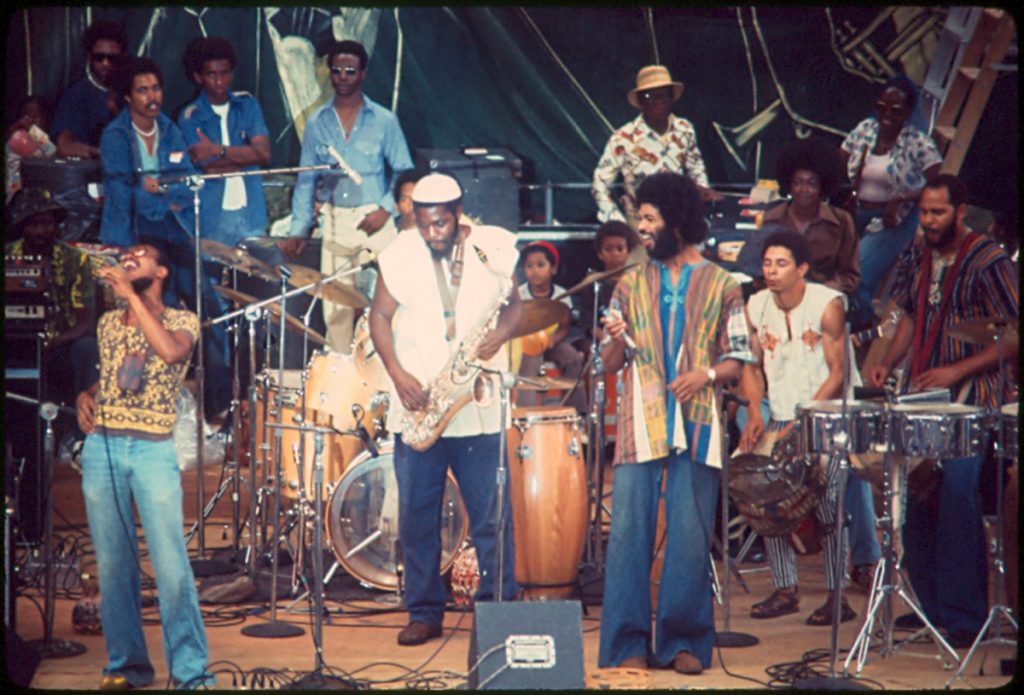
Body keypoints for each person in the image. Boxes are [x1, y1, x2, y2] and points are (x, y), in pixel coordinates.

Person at [598, 172, 753, 674]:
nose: (641, 228)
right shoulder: (629, 282)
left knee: (689, 536)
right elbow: (609, 362)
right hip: (640, 424)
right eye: (638, 218)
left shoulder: (723, 284)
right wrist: (616, 337)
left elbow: (738, 359)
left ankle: (683, 643)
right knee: (627, 536)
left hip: (700, 424)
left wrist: (704, 374)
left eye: (649, 218)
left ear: (678, 222)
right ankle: (627, 645)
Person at [368, 174, 522, 646]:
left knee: (492, 516)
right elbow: (378, 317)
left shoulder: (492, 247)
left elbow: (515, 304)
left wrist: (503, 333)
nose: (431, 233)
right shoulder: (398, 253)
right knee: (417, 516)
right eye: (422, 223)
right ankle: (423, 610)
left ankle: (497, 611)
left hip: (477, 406)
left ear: (457, 215)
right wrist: (397, 374)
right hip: (419, 402)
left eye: (440, 224)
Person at [866, 174, 1018, 648]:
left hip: (973, 399)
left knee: (956, 496)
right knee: (918, 495)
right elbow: (909, 313)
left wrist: (957, 371)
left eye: (936, 213)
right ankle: (932, 608)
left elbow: (1012, 334)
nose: (928, 222)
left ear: (960, 210)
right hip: (925, 394)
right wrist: (887, 361)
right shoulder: (920, 252)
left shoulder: (989, 258)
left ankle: (965, 615)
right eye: (924, 213)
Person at [75, 243, 214, 689]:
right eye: (126, 253)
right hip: (105, 449)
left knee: (171, 566)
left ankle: (191, 673)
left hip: (153, 452)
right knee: (115, 567)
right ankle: (127, 667)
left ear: (162, 271)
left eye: (141, 253)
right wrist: (87, 393)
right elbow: (119, 371)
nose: (129, 257)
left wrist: (133, 297)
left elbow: (171, 355)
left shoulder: (182, 321)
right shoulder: (108, 323)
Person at [100, 56, 231, 421]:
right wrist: (156, 192)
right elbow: (122, 192)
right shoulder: (114, 135)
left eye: (155, 88)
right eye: (142, 90)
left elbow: (186, 182)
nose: (151, 96)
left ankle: (220, 407)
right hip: (136, 236)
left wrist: (163, 191)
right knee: (160, 312)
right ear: (127, 97)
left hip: (175, 230)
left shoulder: (171, 128)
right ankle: (156, 410)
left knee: (208, 308)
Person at [737, 230, 858, 625]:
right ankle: (786, 589)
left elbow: (838, 373)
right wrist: (755, 411)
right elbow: (751, 367)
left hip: (827, 416)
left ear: (802, 268)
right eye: (768, 263)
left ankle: (838, 594)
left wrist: (805, 423)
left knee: (827, 506)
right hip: (782, 415)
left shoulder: (827, 304)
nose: (771, 271)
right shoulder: (756, 305)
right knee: (763, 497)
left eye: (781, 263)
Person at [283, 39, 414, 352]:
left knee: (394, 296)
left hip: (378, 220)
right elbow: (306, 179)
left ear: (363, 74)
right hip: (337, 218)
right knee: (337, 306)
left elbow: (404, 171)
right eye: (337, 71)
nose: (343, 77)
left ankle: (394, 368)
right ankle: (342, 373)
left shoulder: (384, 120)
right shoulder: (317, 122)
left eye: (350, 71)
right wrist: (299, 229)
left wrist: (385, 209)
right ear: (329, 73)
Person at [841, 75, 942, 316]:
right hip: (856, 213)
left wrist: (902, 198)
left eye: (896, 110)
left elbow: (938, 184)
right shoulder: (865, 129)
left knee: (857, 276)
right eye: (881, 108)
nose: (887, 115)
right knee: (844, 274)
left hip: (894, 220)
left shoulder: (917, 142)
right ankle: (859, 333)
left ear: (908, 112)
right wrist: (846, 192)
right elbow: (839, 163)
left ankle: (864, 330)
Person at [5, 188, 100, 445]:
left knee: (88, 347)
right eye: (34, 224)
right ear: (23, 226)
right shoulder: (8, 256)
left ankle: (84, 440)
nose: (41, 231)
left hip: (61, 345)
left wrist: (55, 340)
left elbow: (85, 322)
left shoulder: (75, 260)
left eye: (46, 224)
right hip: (15, 343)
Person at [592, 64, 722, 231]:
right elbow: (600, 183)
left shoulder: (685, 129)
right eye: (648, 95)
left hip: (679, 221)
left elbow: (696, 167)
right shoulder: (623, 137)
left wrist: (700, 198)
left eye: (663, 95)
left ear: (671, 98)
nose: (657, 101)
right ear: (640, 101)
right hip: (640, 224)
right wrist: (618, 222)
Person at [178, 36, 271, 247]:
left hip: (251, 213)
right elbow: (208, 167)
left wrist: (217, 150)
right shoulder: (190, 115)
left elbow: (264, 154)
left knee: (256, 275)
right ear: (198, 77)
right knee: (211, 275)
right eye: (211, 74)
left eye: (224, 73)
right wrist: (246, 157)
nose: (219, 82)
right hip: (212, 216)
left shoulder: (248, 106)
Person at [514, 240, 585, 411]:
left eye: (540, 265)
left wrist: (553, 339)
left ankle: (574, 411)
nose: (534, 271)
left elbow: (565, 327)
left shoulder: (561, 294)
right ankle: (526, 412)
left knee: (573, 359)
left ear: (553, 269)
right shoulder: (520, 294)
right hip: (528, 343)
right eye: (529, 266)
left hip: (554, 340)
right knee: (529, 364)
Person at [51, 20, 126, 159]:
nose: (105, 64)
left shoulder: (133, 92)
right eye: (99, 57)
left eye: (112, 58)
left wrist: (115, 110)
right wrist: (102, 154)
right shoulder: (76, 95)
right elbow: (64, 146)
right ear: (89, 57)